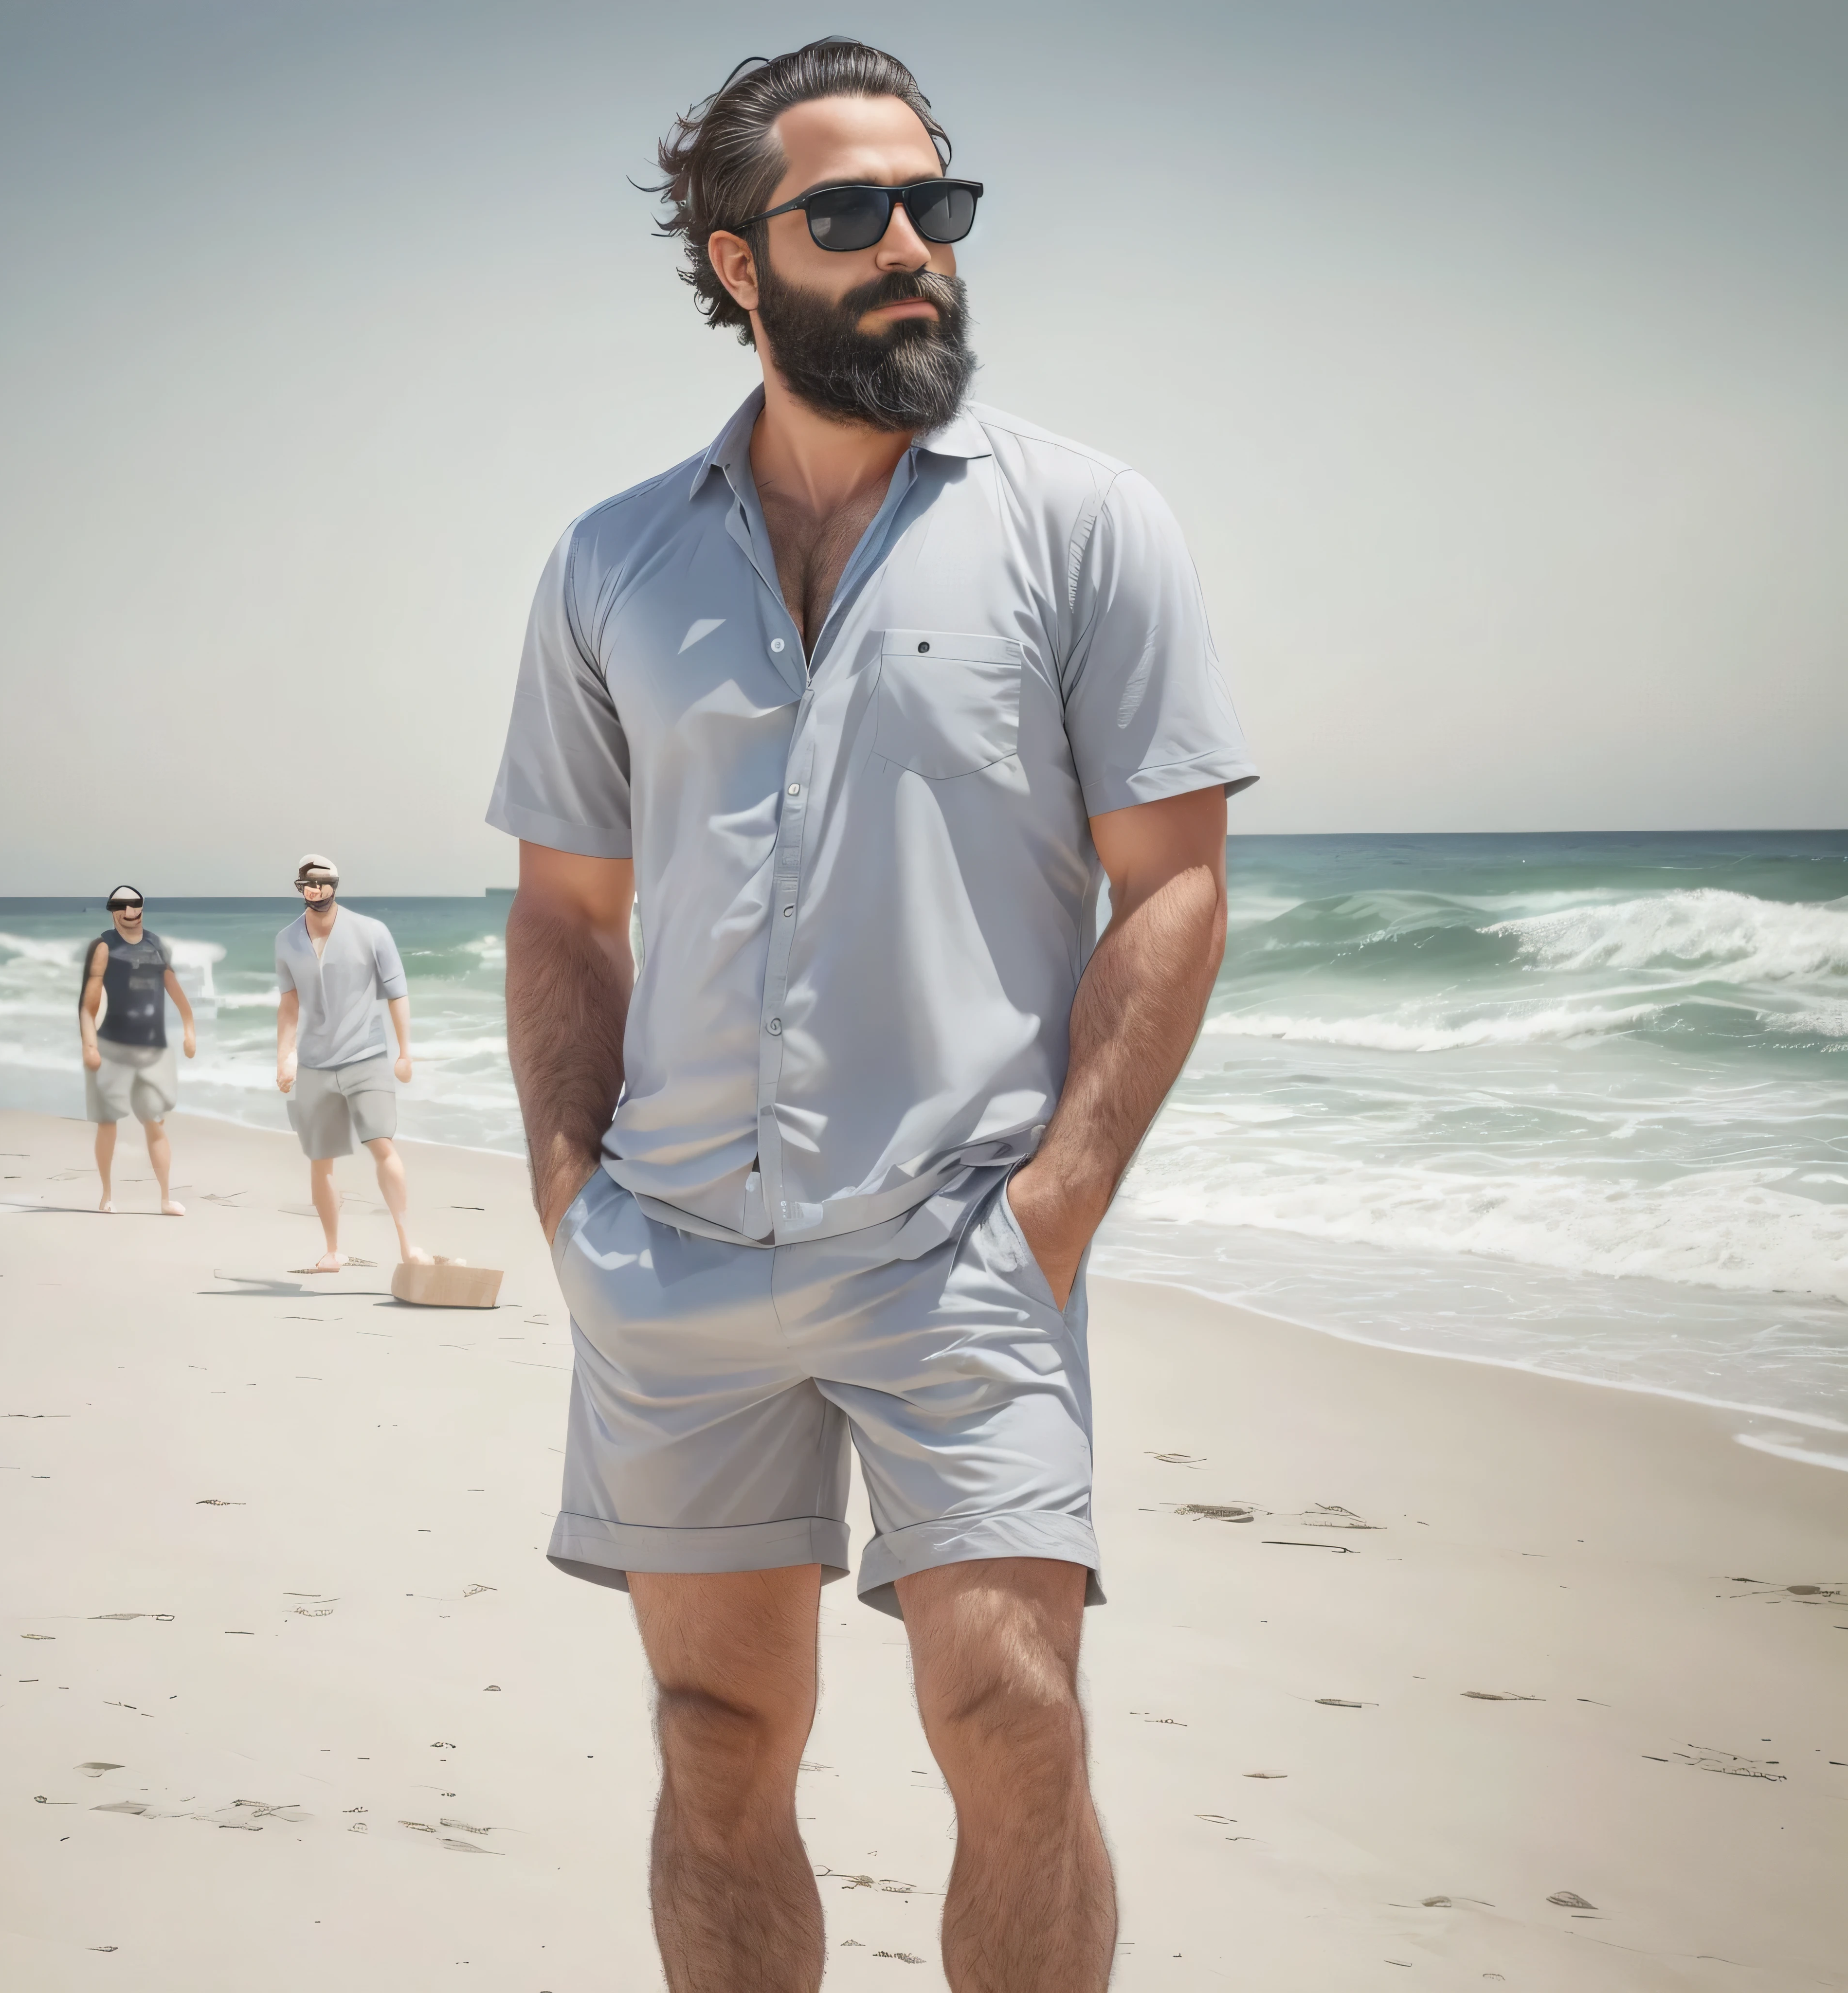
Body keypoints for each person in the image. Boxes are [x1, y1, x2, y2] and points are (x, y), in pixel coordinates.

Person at [490, 39, 1256, 1993]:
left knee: (1016, 1722)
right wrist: (572, 1193)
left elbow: (1170, 884)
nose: (910, 243)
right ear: (739, 263)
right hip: (670, 1249)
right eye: (850, 214)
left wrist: (1056, 1209)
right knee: (718, 1747)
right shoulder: (608, 563)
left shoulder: (1088, 524)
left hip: (963, 1245)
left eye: (934, 203)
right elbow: (570, 914)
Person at [274, 855, 430, 1273]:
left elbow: (398, 993)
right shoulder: (287, 940)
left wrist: (405, 1052)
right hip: (314, 1065)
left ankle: (407, 1244)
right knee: (320, 1159)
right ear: (300, 888)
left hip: (366, 1057)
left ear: (335, 886)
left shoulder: (371, 931)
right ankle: (332, 1250)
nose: (316, 890)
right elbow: (288, 1005)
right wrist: (284, 1058)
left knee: (383, 1146)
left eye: (324, 883)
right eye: (309, 884)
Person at [79, 885, 196, 1214]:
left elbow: (175, 990)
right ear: (112, 911)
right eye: (121, 905)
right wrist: (89, 1045)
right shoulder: (103, 948)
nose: (129, 911)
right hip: (112, 1048)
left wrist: (190, 1029)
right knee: (108, 1122)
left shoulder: (156, 946)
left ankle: (165, 1197)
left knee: (154, 1121)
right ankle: (106, 1195)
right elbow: (88, 1006)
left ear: (142, 907)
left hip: (152, 1050)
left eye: (134, 904)